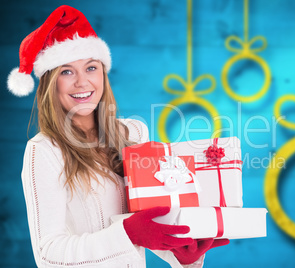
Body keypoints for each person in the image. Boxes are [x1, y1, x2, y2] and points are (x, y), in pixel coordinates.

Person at [7, 5, 229, 268]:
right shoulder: (44, 150)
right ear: (50, 83)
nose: (82, 82)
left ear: (103, 73)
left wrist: (182, 254)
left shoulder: (133, 133)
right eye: (66, 71)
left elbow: (150, 221)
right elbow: (48, 254)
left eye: (91, 68)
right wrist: (127, 233)